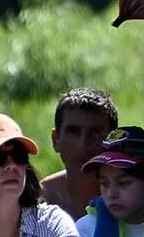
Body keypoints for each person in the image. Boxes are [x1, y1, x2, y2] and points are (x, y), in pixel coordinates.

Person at [39, 88, 119, 218]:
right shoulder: (39, 201)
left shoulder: (133, 198)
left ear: (113, 141)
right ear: (56, 140)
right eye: (73, 132)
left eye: (95, 133)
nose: (83, 144)